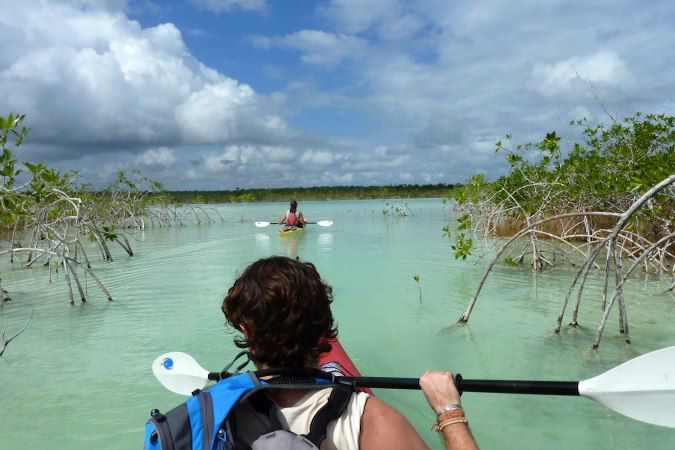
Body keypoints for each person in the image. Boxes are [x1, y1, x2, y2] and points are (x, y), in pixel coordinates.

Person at [222, 256, 478, 449]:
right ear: (323, 328)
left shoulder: (216, 413)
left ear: (247, 333)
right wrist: (449, 411)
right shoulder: (374, 420)